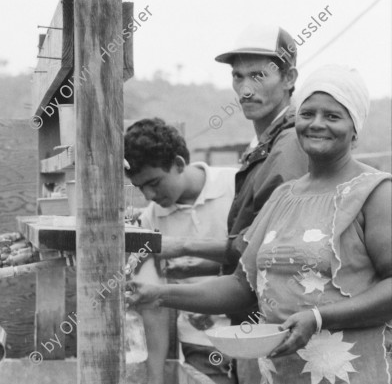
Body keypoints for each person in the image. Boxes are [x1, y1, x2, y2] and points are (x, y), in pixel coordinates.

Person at [127, 65, 392, 384]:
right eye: (307, 113)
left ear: (355, 128)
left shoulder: (376, 193)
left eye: (333, 116)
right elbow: (242, 286)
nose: (317, 124)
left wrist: (319, 318)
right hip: (277, 376)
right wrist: (157, 294)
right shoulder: (283, 196)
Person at [150, 25, 309, 383]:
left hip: (277, 329)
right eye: (238, 76)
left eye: (258, 75)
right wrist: (186, 268)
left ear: (289, 78)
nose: (245, 89)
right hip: (257, 325)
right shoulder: (264, 146)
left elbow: (265, 250)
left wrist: (181, 246)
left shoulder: (288, 149)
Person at [125, 118, 238, 384]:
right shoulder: (151, 220)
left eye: (155, 182)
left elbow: (252, 256)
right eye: (141, 188)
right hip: (200, 342)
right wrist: (155, 376)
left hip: (253, 332)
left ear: (178, 163)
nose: (149, 195)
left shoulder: (236, 186)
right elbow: (154, 303)